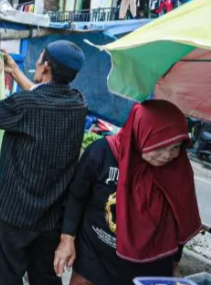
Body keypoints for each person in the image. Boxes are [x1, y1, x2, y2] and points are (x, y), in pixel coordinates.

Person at [54, 100, 202, 285]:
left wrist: (175, 260)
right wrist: (67, 239)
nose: (167, 155)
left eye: (175, 147)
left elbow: (180, 218)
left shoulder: (176, 170)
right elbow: (76, 196)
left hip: (148, 270)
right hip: (94, 261)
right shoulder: (102, 153)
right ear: (140, 133)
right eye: (159, 145)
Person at [0, 41, 88, 285]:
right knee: (44, 278)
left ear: (46, 66)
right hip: (50, 218)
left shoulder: (25, 105)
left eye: (40, 59)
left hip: (15, 215)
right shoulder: (78, 103)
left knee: (7, 277)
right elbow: (42, 96)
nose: (37, 63)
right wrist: (15, 71)